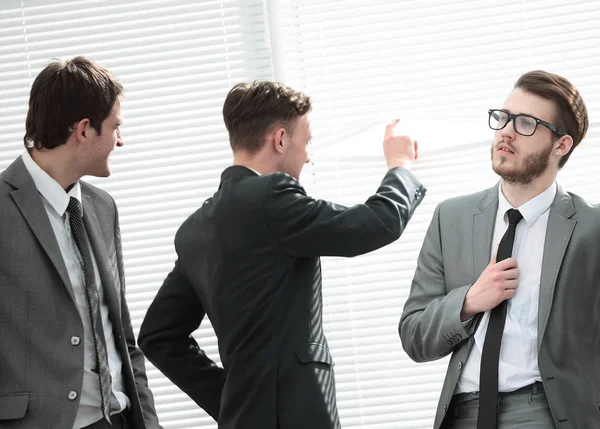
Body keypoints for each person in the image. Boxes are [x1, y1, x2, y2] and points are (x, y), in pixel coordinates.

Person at [137, 80, 426, 429]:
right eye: (306, 143)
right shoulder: (272, 196)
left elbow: (158, 337)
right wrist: (400, 167)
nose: (307, 154)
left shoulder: (194, 229)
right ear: (280, 139)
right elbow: (376, 224)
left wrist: (232, 399)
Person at [399, 70, 598, 429]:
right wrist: (469, 301)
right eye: (503, 117)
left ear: (561, 145)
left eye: (526, 123)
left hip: (546, 411)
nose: (505, 130)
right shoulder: (451, 218)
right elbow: (414, 336)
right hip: (462, 413)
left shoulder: (591, 228)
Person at [0, 57, 162, 429]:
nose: (121, 140)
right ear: (85, 130)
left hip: (120, 420)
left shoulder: (103, 207)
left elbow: (120, 332)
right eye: (115, 127)